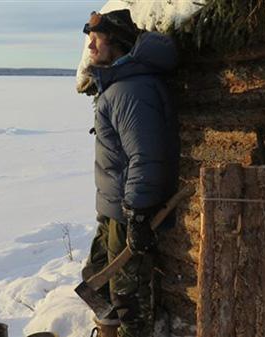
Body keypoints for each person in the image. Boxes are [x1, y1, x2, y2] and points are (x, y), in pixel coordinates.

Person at [79, 9, 180, 337]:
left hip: (127, 213)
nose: (90, 45)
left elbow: (146, 156)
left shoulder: (131, 91)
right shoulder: (118, 86)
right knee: (98, 283)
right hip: (112, 210)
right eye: (89, 37)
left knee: (130, 303)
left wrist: (137, 214)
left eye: (98, 37)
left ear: (118, 42)